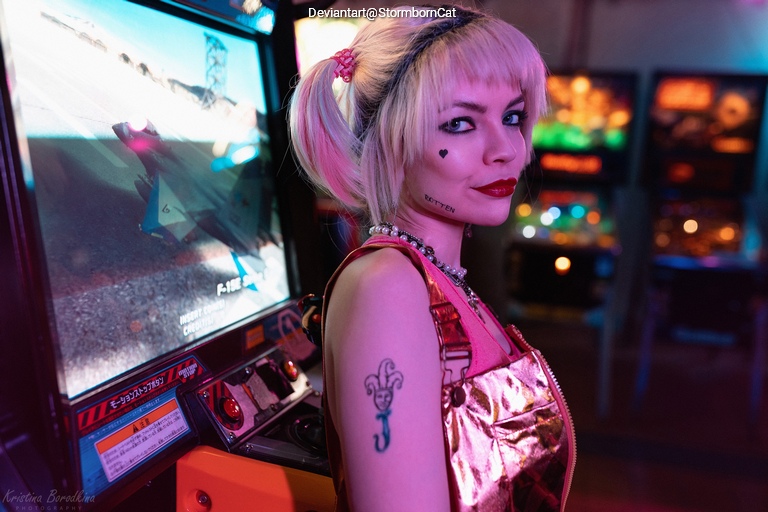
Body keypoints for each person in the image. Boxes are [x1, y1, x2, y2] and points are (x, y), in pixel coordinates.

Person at [290, 5, 575, 511]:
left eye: (512, 116)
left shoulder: (434, 278)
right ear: (389, 140)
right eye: (461, 123)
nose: (506, 149)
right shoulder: (387, 287)